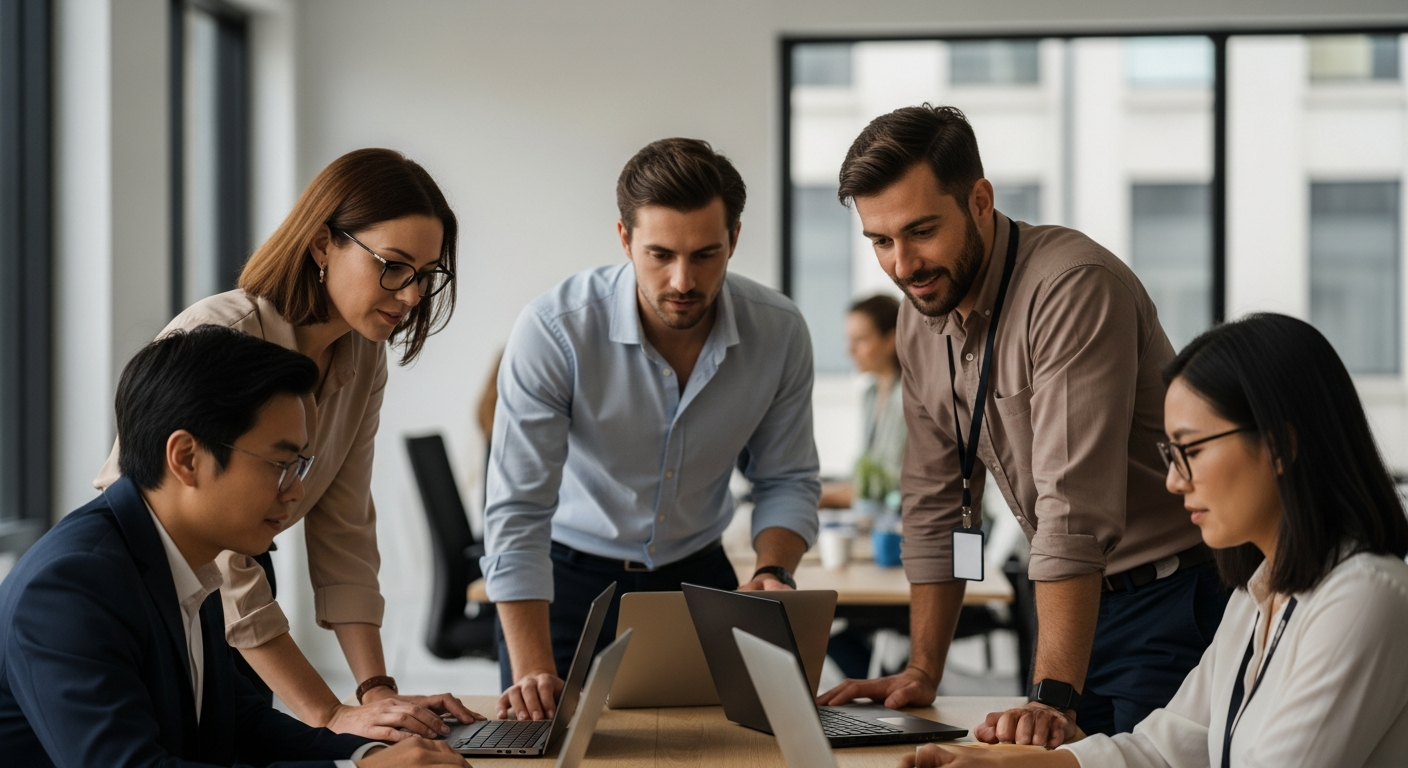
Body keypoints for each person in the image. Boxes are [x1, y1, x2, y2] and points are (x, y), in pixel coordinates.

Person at [818, 105, 1228, 744]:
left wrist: (1052, 695)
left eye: (921, 231)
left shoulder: (1069, 286)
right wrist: (923, 669)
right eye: (881, 241)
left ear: (979, 200)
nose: (903, 265)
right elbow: (935, 504)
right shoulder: (918, 320)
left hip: (1169, 602)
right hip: (1067, 606)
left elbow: (1073, 509)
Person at [902, 313, 1408, 767]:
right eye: (1170, 454)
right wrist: (995, 767)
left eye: (1190, 450)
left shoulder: (1365, 597)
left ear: (1280, 445)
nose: (1173, 481)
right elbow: (1163, 747)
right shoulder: (1258, 594)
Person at [94, 148, 477, 740]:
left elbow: (343, 524)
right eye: (394, 266)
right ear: (324, 244)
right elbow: (213, 550)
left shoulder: (362, 354)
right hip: (151, 596)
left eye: (426, 276)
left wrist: (377, 696)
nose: (410, 297)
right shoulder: (222, 336)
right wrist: (328, 713)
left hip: (232, 596)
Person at [0, 325, 471, 767]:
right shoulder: (71, 586)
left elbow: (238, 723)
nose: (295, 491)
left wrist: (366, 753)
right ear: (186, 458)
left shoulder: (186, 559)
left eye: (300, 467)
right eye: (281, 464)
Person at [483, 137, 821, 721]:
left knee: (714, 753)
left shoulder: (780, 332)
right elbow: (517, 509)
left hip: (702, 581)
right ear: (624, 239)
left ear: (735, 239)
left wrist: (772, 569)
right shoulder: (555, 329)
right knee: (552, 754)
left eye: (706, 254)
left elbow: (787, 478)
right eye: (660, 254)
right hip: (567, 588)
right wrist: (533, 665)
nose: (683, 280)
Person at [819, 294, 906, 510]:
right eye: (849, 340)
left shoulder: (909, 395)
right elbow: (868, 474)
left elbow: (888, 483)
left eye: (861, 340)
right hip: (875, 515)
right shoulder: (871, 394)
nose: (850, 351)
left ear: (890, 340)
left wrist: (824, 497)